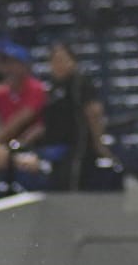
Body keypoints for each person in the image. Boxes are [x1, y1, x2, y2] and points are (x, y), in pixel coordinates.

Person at [37, 43, 118, 191]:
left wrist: (99, 144)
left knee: (72, 187)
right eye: (54, 61)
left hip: (79, 148)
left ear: (73, 61)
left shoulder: (80, 83)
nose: (57, 65)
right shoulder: (53, 87)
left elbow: (94, 112)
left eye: (62, 60)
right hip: (56, 147)